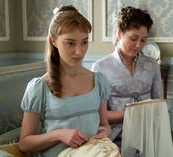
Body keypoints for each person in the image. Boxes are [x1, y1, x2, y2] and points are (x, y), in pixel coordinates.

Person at [19, 5, 112, 157]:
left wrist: (102, 133)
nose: (79, 51)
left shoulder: (98, 81)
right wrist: (59, 134)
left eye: (84, 42)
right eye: (70, 43)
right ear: (54, 41)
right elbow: (24, 143)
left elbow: (104, 125)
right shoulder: (39, 87)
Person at [92, 6, 163, 149]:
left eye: (143, 40)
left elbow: (158, 105)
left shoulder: (152, 66)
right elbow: (97, 115)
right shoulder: (100, 68)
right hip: (114, 136)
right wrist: (129, 115)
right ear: (119, 33)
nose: (138, 45)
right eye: (133, 38)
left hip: (147, 134)